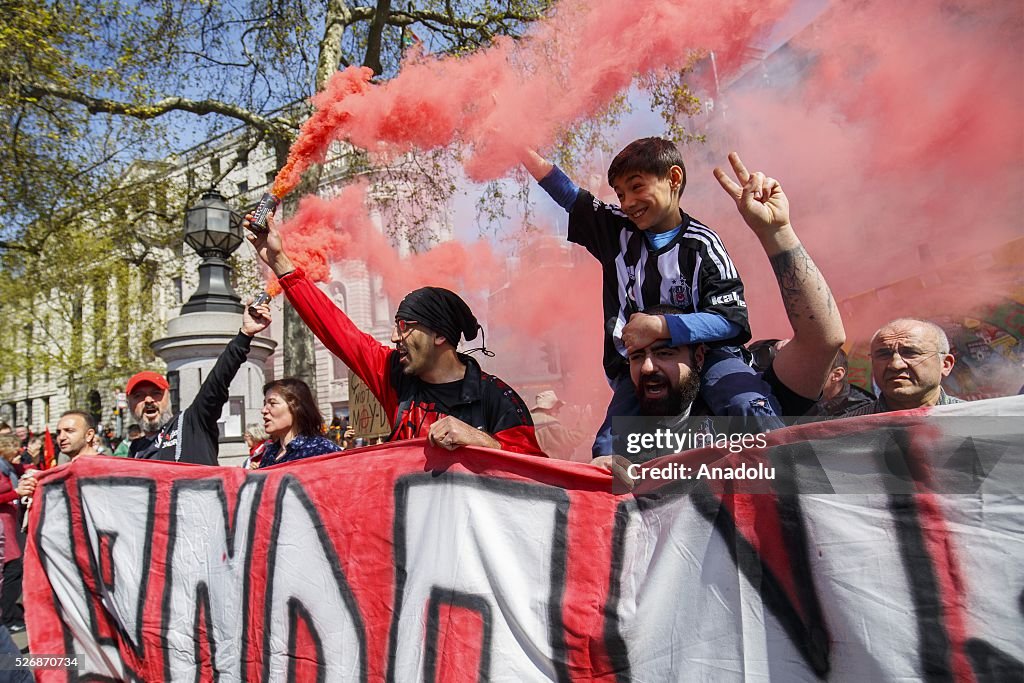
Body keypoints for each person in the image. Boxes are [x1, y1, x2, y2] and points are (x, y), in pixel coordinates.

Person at [522, 138, 774, 456]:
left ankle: (797, 492)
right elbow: (570, 196)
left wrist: (662, 327)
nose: (627, 203)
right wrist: (520, 148)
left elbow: (731, 320)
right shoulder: (616, 233)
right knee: (609, 447)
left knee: (748, 404)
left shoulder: (704, 245)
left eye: (636, 187)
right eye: (620, 193)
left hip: (712, 359)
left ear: (673, 179)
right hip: (641, 368)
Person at [603, 152, 845, 470]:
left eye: (665, 352)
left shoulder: (750, 390)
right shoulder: (625, 443)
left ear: (700, 355)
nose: (648, 367)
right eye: (636, 357)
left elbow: (823, 340)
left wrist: (777, 233)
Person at [243, 214, 543, 456]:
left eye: (405, 327)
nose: (395, 338)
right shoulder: (393, 376)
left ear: (438, 334)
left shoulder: (497, 398)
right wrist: (280, 261)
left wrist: (482, 441)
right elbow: (335, 328)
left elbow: (537, 473)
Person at [127, 298, 272, 465]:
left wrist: (244, 335)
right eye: (139, 396)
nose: (149, 400)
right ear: (130, 403)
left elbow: (216, 383)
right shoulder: (134, 451)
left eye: (156, 393)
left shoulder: (192, 422)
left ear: (168, 396)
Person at [842, 318, 963, 416]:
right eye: (884, 354)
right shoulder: (845, 433)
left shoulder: (976, 422)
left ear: (946, 364)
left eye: (911, 353)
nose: (895, 365)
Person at [257, 379, 338, 468]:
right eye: (264, 404)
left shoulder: (320, 449)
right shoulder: (270, 453)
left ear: (295, 407)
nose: (263, 410)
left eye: (272, 403)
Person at [0, 435, 36, 633]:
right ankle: (7, 615)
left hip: (8, 523)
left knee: (12, 567)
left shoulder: (7, 466)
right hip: (3, 524)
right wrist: (16, 492)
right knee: (13, 569)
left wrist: (34, 470)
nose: (18, 451)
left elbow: (23, 469)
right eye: (14, 447)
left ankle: (8, 612)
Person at [802, 349, 875, 418]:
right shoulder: (804, 398)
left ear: (836, 375)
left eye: (811, 371)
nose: (801, 376)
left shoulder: (863, 409)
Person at [530, 390, 585, 461]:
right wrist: (583, 420)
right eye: (557, 408)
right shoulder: (549, 423)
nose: (558, 411)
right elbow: (572, 439)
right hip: (547, 466)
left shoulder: (528, 419)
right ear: (549, 407)